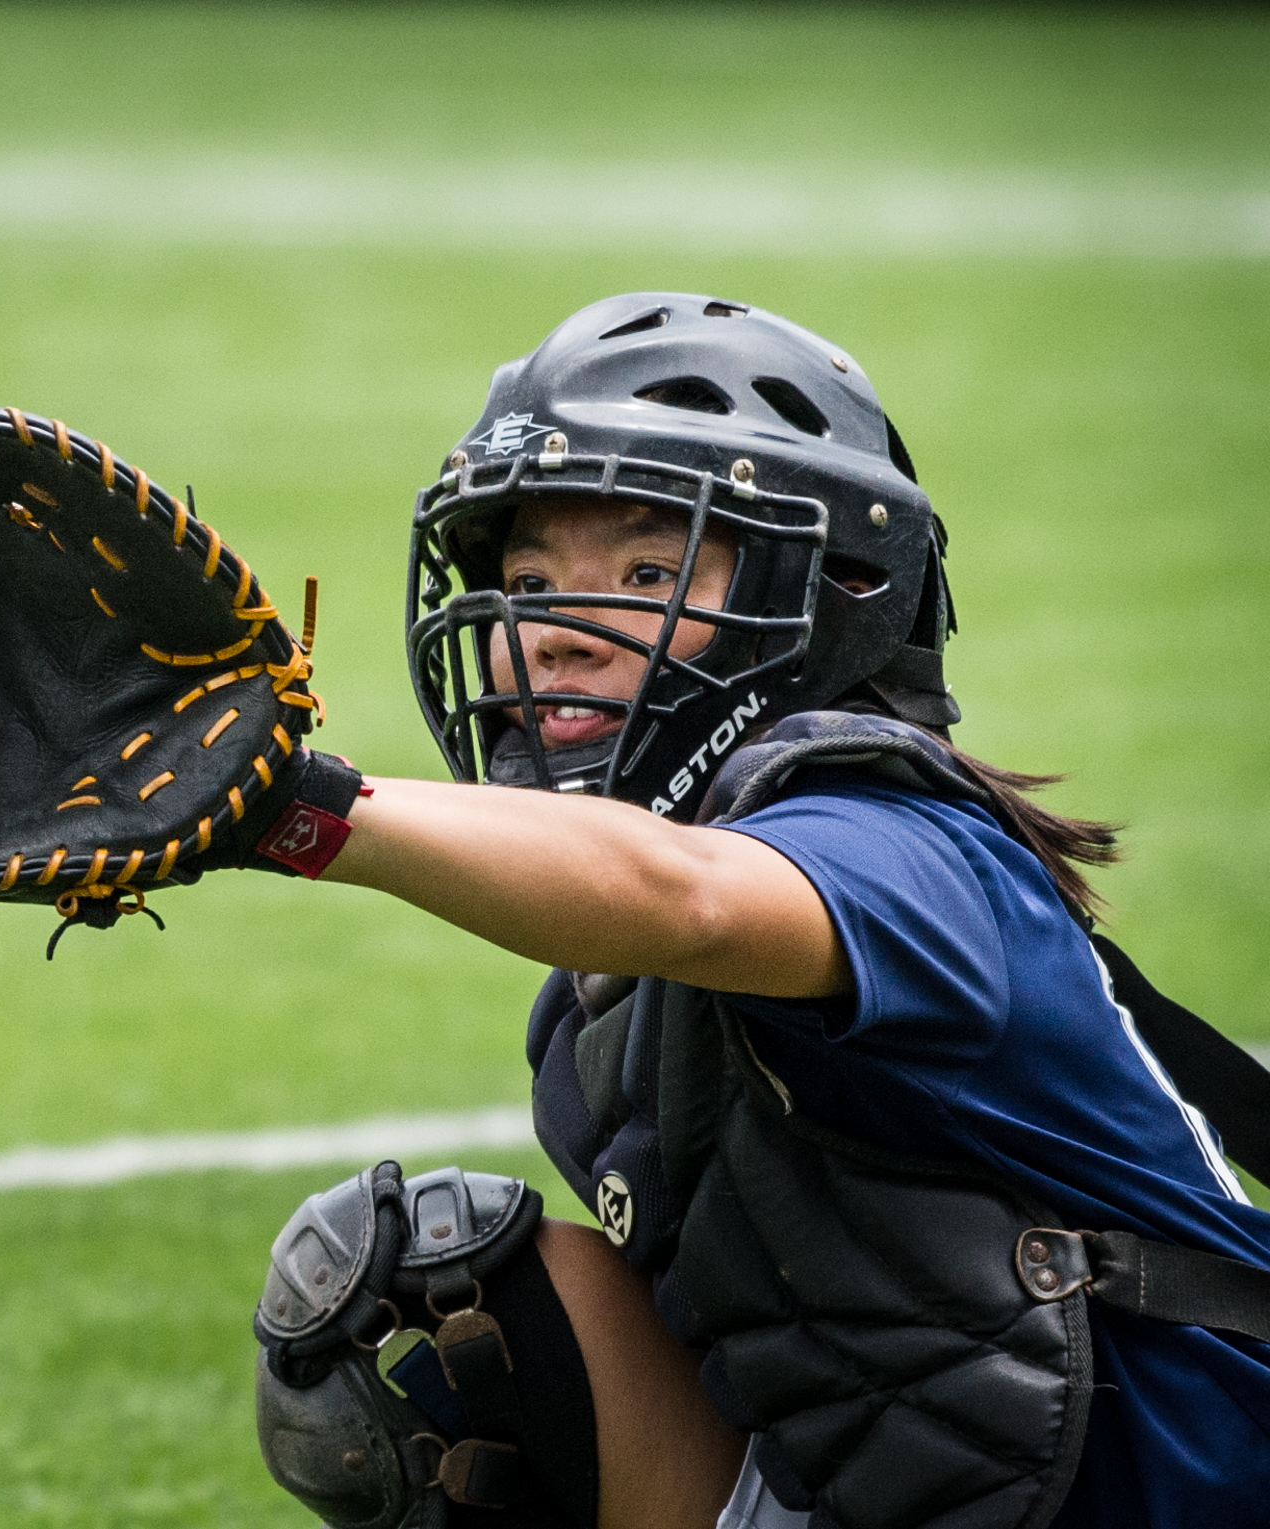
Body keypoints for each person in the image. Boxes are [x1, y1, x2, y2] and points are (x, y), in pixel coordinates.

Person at [246, 293, 1270, 1529]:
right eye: (527, 577)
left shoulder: (891, 836)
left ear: (829, 589)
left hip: (1191, 1491)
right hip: (947, 1489)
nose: (550, 633)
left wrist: (290, 809)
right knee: (437, 1299)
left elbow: (689, 899)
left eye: (643, 570)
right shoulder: (597, 1002)